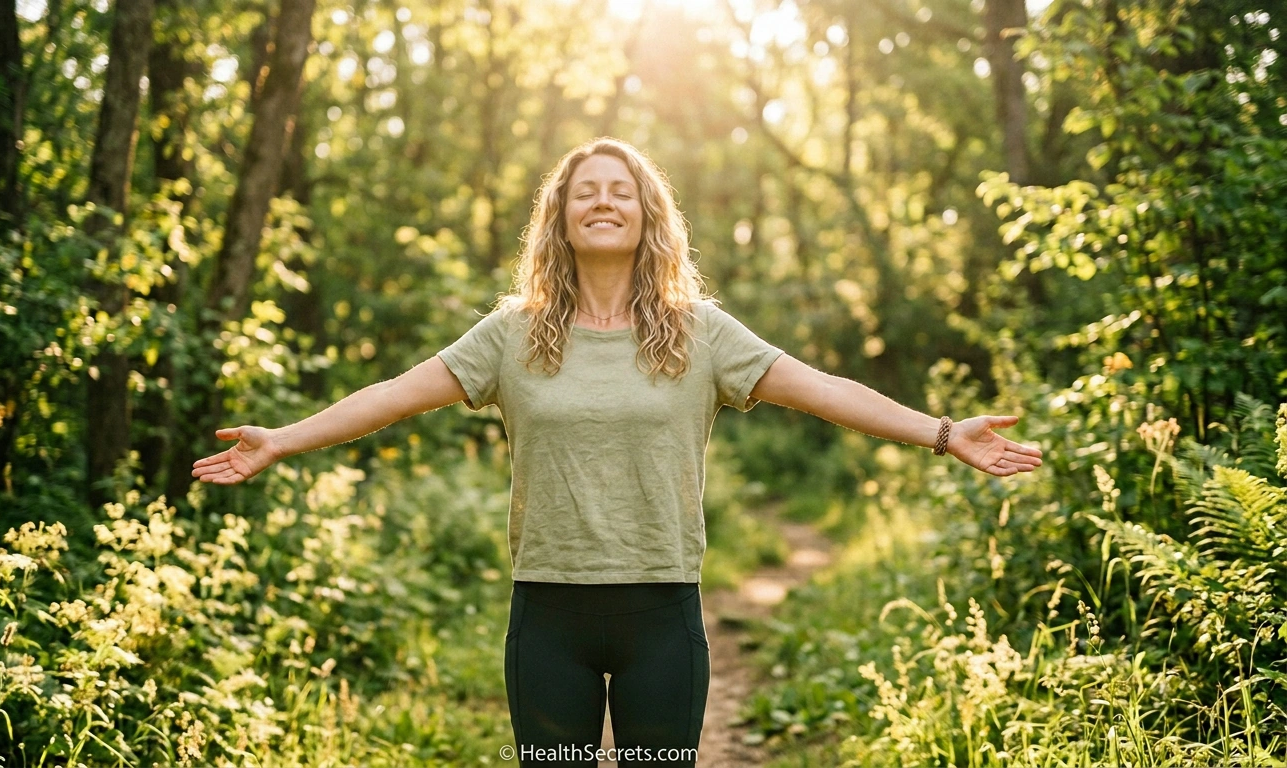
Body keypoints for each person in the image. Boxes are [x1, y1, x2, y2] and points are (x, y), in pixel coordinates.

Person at [191, 137, 1044, 766]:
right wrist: (284, 441)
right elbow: (391, 396)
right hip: (549, 613)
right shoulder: (510, 336)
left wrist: (941, 432)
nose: (603, 201)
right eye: (585, 192)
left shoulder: (702, 333)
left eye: (621, 192)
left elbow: (823, 388)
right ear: (559, 219)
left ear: (648, 216)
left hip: (661, 613)